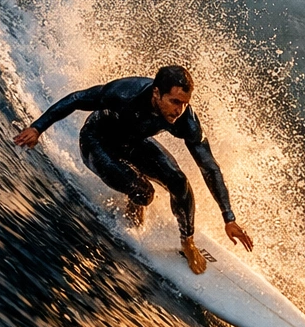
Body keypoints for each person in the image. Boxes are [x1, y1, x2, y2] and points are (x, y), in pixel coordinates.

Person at [13, 65, 252, 274]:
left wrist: (228, 217)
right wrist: (37, 128)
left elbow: (209, 167)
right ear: (157, 93)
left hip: (134, 143)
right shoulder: (125, 93)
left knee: (178, 182)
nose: (179, 110)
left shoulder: (185, 121)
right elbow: (77, 99)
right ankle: (133, 214)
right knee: (144, 192)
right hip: (97, 141)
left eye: (185, 103)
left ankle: (187, 242)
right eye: (175, 101)